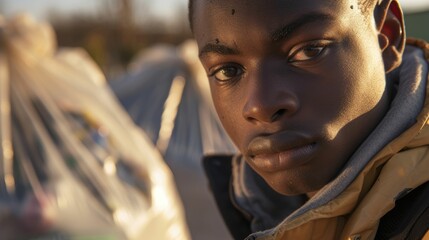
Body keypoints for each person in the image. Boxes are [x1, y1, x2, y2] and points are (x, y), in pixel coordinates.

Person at [188, 0, 429, 239]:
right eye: (227, 71)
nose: (260, 105)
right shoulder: (248, 207)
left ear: (386, 35)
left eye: (309, 51)